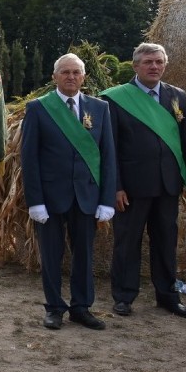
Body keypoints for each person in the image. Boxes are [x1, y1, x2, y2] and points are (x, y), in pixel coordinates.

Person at [102, 42, 186, 319]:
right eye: (148, 62)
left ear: (165, 65)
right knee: (127, 242)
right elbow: (108, 148)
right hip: (132, 188)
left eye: (159, 62)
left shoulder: (177, 95)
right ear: (136, 66)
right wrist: (115, 186)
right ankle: (123, 297)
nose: (154, 67)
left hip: (168, 184)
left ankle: (168, 297)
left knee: (166, 242)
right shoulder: (115, 98)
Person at [20, 53, 115, 331]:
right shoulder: (38, 108)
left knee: (84, 254)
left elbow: (108, 155)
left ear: (83, 77)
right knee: (51, 255)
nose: (71, 76)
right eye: (65, 72)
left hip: (87, 196)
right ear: (54, 77)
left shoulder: (99, 108)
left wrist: (106, 199)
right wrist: (35, 201)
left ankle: (81, 307)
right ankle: (54, 308)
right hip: (50, 198)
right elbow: (30, 158)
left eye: (76, 72)